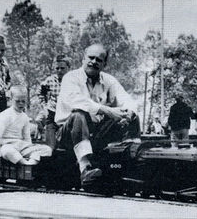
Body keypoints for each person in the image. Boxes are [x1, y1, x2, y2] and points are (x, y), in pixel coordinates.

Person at [55, 44, 141, 186]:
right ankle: (85, 169)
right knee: (79, 114)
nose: (94, 62)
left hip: (95, 132)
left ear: (104, 64)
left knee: (132, 115)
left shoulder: (108, 80)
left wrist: (128, 114)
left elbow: (126, 99)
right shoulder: (70, 77)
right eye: (91, 57)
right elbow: (77, 101)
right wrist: (109, 111)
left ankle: (132, 163)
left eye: (99, 60)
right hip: (67, 134)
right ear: (83, 58)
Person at [0, 86, 52, 168]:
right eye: (17, 101)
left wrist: (30, 149)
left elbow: (27, 137)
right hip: (7, 145)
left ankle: (31, 162)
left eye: (23, 101)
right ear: (11, 99)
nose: (21, 104)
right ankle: (25, 163)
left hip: (21, 146)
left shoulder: (25, 117)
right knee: (7, 151)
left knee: (48, 149)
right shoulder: (4, 115)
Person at [38, 55, 71, 148]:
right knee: (50, 147)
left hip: (67, 116)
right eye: (57, 68)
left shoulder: (73, 80)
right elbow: (40, 93)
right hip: (52, 115)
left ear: (68, 68)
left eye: (62, 68)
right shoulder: (50, 80)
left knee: (67, 146)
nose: (59, 70)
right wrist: (44, 106)